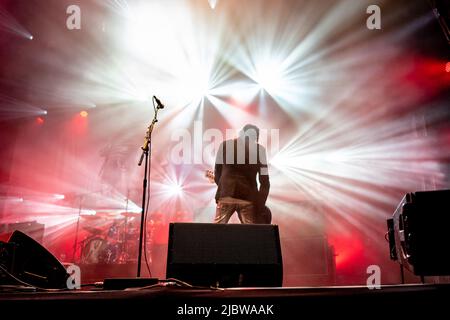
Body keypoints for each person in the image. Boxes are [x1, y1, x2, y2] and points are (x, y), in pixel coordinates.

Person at [213, 124, 270, 224]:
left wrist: (224, 188)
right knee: (250, 234)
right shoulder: (260, 150)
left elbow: (217, 172)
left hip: (226, 195)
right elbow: (264, 181)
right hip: (248, 198)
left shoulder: (225, 145)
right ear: (256, 137)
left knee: (216, 231)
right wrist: (259, 204)